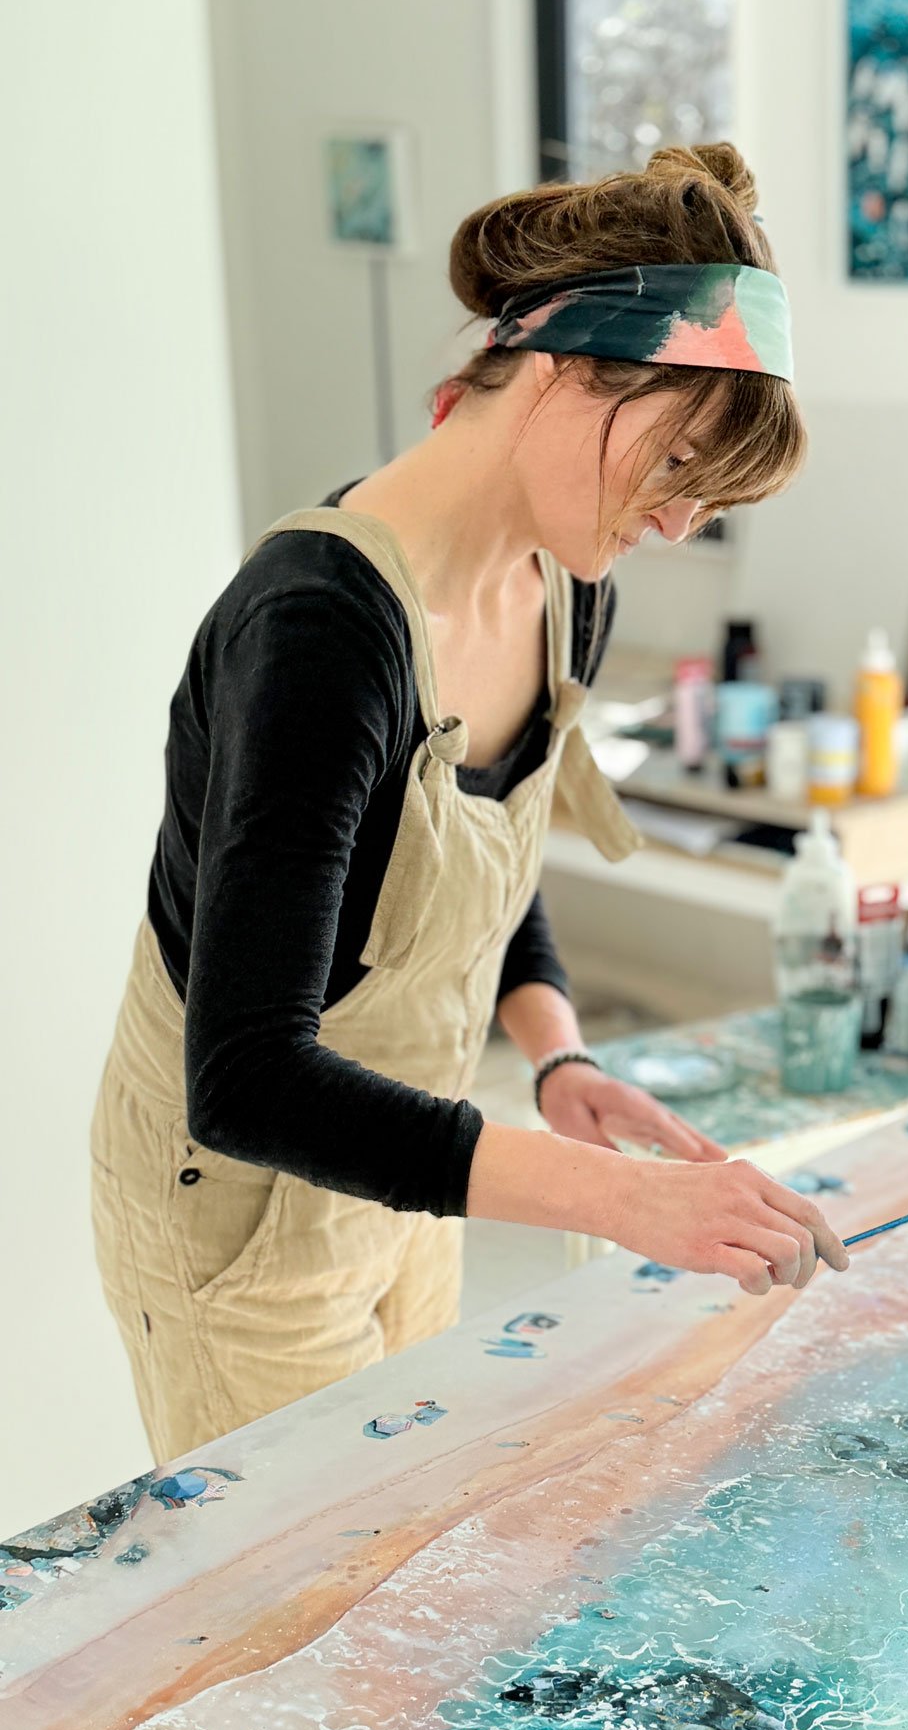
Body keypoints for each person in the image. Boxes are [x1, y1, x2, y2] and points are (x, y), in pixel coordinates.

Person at [90, 143, 850, 1467]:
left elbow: (479, 863)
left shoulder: (570, 581)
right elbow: (247, 1079)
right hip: (240, 1214)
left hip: (401, 1167)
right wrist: (625, 1203)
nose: (679, 525)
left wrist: (556, 1050)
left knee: (401, 1565)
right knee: (302, 1627)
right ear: (565, 370)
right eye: (679, 464)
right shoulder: (325, 631)